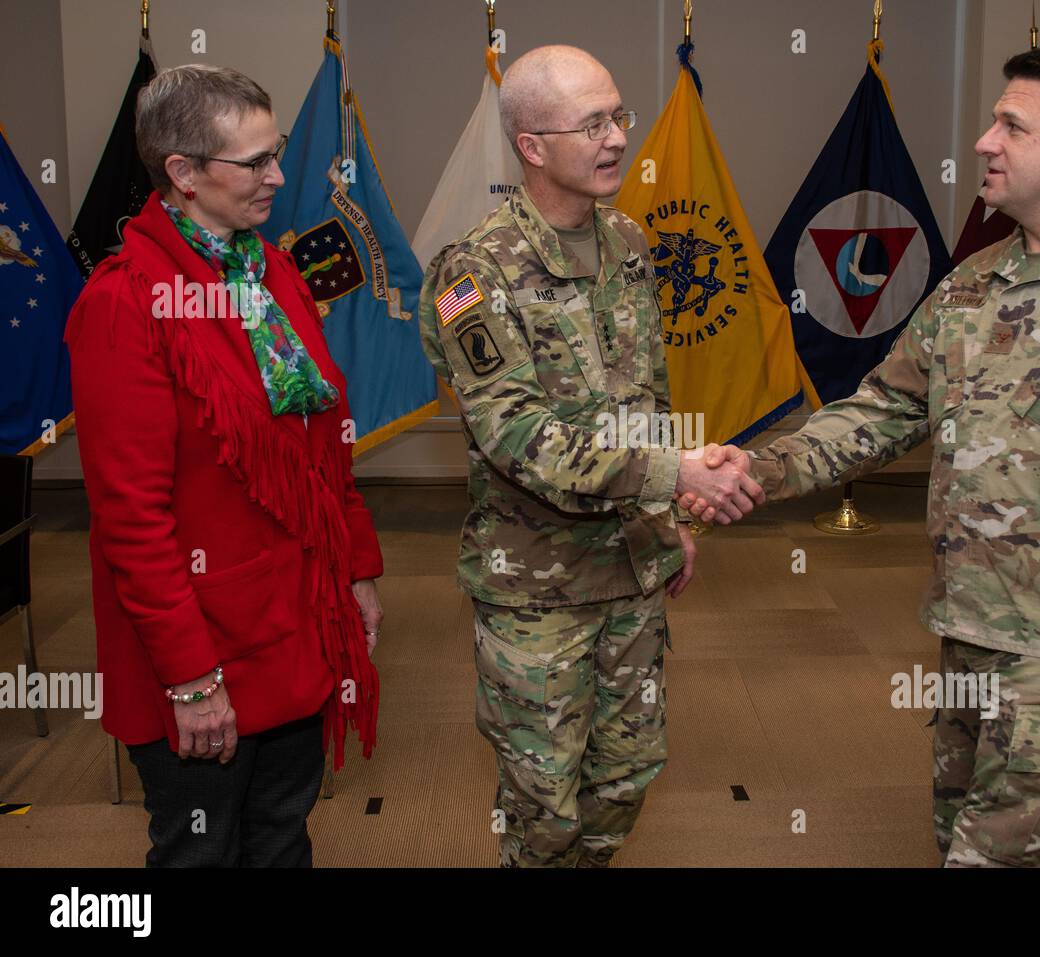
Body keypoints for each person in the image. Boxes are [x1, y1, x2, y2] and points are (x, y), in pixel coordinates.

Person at [681, 46, 1040, 866]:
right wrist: (754, 469)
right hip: (968, 636)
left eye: (1011, 124)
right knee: (957, 837)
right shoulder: (971, 286)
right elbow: (882, 410)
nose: (985, 141)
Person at [419, 45, 762, 867]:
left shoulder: (631, 243)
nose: (616, 138)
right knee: (544, 804)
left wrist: (668, 517)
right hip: (537, 588)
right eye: (592, 123)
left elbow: (644, 399)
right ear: (532, 146)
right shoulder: (475, 272)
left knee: (627, 775)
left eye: (619, 116)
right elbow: (517, 438)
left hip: (631, 566)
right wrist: (674, 476)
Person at [65, 64, 384, 867]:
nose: (278, 176)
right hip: (202, 651)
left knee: (281, 838)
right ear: (182, 172)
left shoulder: (270, 271)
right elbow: (132, 519)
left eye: (275, 153)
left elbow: (326, 440)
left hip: (298, 625)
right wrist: (192, 679)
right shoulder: (124, 303)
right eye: (255, 162)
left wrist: (356, 569)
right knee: (200, 852)